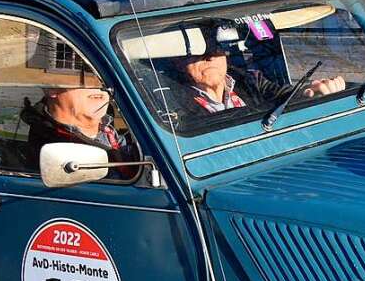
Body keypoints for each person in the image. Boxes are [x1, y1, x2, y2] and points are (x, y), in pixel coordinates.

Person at [173, 27, 345, 115]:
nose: (209, 57)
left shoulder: (247, 79)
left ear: (225, 53)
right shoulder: (173, 101)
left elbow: (281, 94)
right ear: (179, 62)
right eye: (196, 52)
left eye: (215, 49)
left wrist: (309, 93)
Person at [22, 84, 137, 178]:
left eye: (103, 78)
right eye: (84, 77)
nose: (100, 85)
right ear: (52, 88)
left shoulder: (111, 132)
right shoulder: (53, 143)